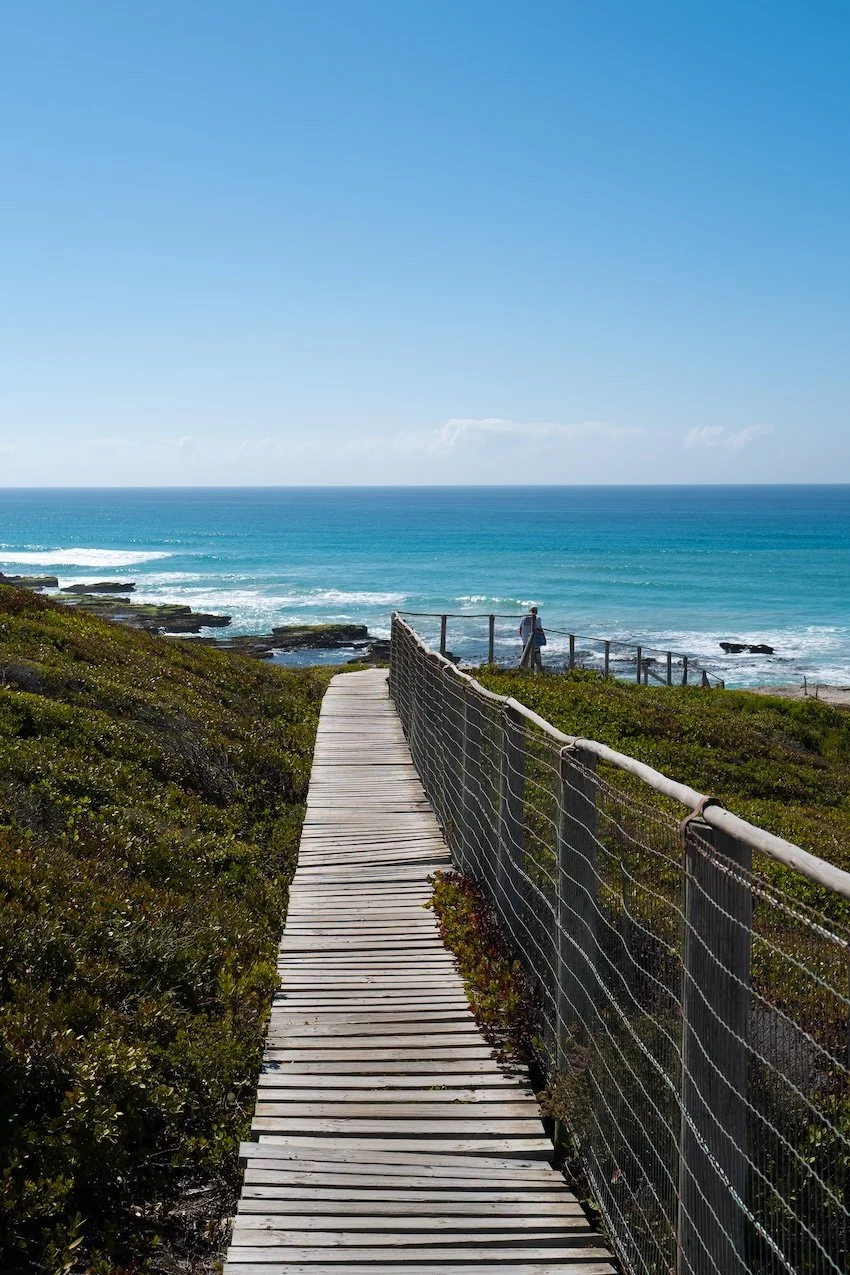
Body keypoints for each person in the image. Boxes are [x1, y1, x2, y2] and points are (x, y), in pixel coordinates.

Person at [519, 605, 546, 671]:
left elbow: (520, 629)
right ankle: (538, 671)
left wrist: (523, 638)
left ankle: (524, 671)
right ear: (536, 611)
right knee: (537, 657)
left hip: (525, 641)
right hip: (534, 641)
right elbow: (539, 629)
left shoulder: (523, 618)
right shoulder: (538, 618)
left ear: (529, 611)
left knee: (525, 658)